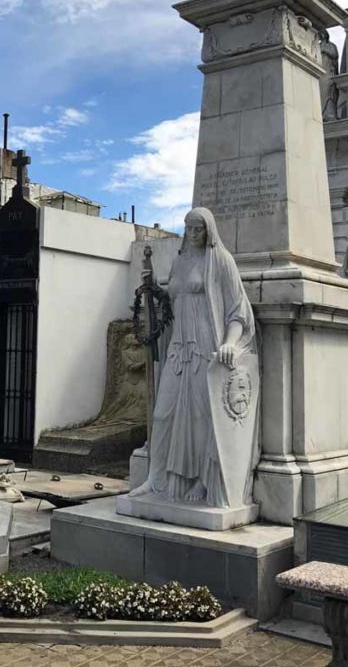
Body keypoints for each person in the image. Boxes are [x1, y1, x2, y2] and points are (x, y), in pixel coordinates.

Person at [129, 207, 257, 505]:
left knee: (203, 416)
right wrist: (152, 289)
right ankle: (156, 478)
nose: (193, 234)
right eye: (188, 229)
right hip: (179, 347)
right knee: (163, 413)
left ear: (209, 230)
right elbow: (172, 300)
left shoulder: (220, 261)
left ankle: (202, 479)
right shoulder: (180, 261)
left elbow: (237, 310)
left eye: (198, 229)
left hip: (206, 345)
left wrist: (230, 343)